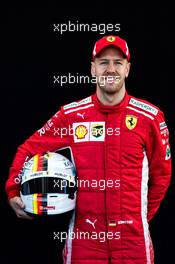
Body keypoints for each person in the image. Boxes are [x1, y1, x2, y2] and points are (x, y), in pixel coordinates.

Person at [5, 35, 171, 264]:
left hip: (134, 243)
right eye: (103, 62)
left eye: (118, 62)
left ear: (128, 69)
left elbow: (161, 175)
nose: (110, 69)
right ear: (93, 69)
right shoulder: (71, 116)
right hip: (85, 242)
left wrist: (139, 218)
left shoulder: (150, 117)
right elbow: (28, 149)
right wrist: (13, 189)